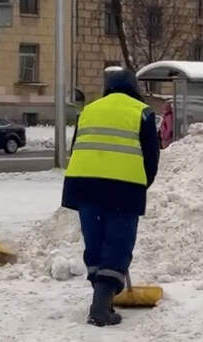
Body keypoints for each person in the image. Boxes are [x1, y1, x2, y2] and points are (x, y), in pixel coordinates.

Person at [62, 69, 160, 327]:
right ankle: (101, 308)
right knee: (117, 243)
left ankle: (101, 296)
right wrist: (141, 184)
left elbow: (76, 147)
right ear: (133, 87)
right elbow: (151, 157)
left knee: (95, 243)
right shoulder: (142, 112)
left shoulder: (89, 110)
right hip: (122, 188)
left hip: (83, 186)